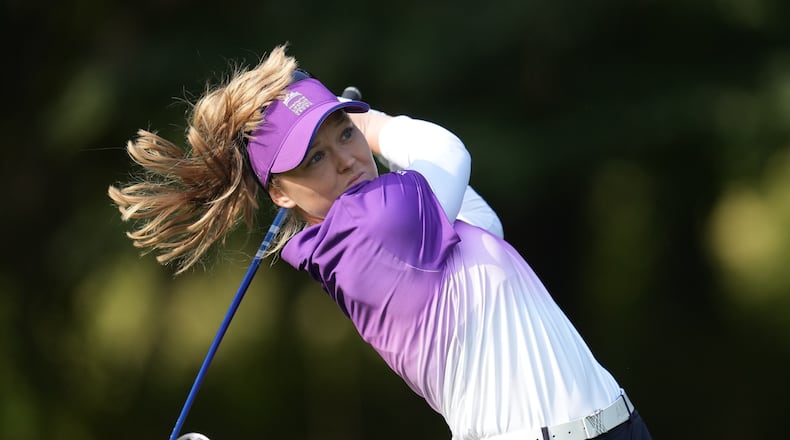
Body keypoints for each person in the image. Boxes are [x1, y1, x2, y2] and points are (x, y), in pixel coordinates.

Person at [109, 45, 652, 440]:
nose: (346, 158)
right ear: (280, 193)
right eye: (314, 158)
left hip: (617, 425)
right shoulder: (369, 231)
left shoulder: (398, 230)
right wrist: (371, 123)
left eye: (343, 134)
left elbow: (482, 221)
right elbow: (448, 154)